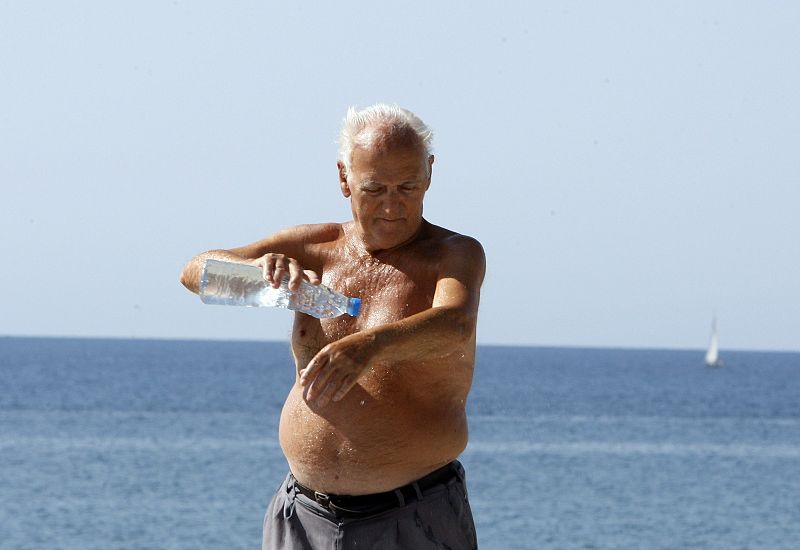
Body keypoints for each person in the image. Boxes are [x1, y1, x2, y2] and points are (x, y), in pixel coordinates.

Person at [180, 104, 485, 549]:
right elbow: (194, 273)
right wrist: (257, 272)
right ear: (345, 178)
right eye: (374, 188)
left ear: (429, 174)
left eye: (407, 186)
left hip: (412, 516)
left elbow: (454, 324)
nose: (392, 205)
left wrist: (370, 346)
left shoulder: (454, 254)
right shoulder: (315, 247)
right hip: (301, 517)